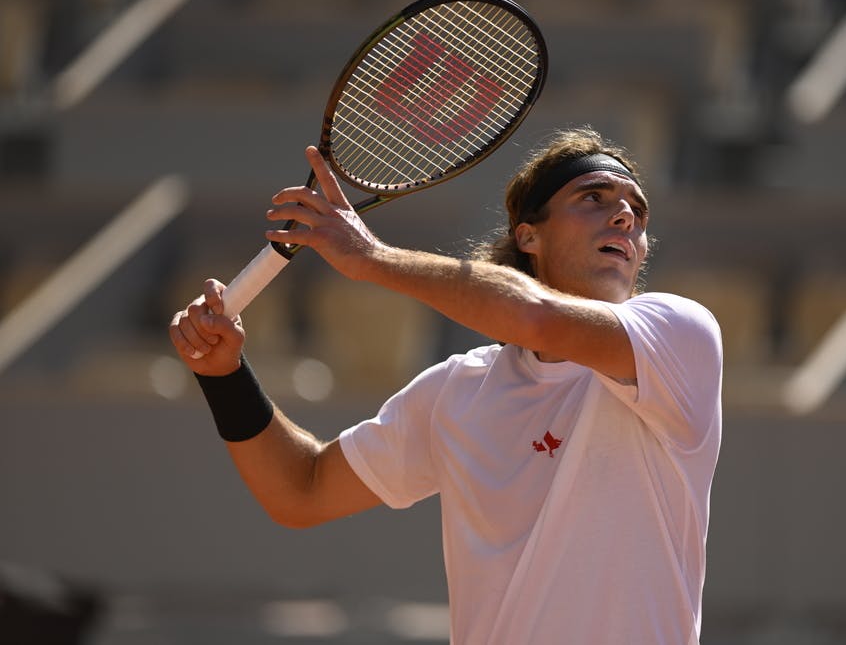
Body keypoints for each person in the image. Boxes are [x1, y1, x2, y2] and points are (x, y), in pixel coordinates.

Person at [168, 127, 723, 645]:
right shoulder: (459, 390)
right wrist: (224, 376)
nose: (625, 216)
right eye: (593, 198)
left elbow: (533, 316)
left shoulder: (680, 335)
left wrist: (373, 259)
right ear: (528, 235)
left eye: (637, 210)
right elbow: (301, 491)